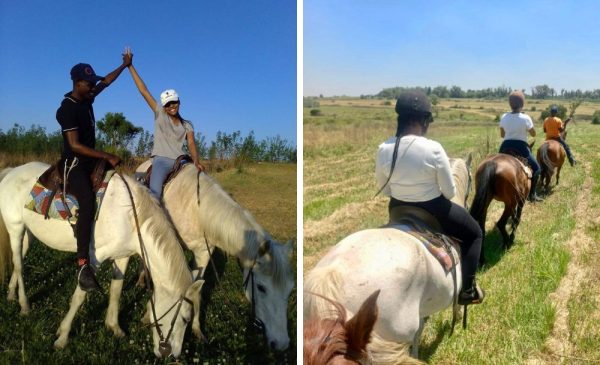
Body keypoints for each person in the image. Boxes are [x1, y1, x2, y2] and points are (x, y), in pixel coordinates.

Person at [375, 90, 484, 306]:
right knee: (475, 233)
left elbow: (384, 189)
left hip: (397, 209)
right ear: (424, 121)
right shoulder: (433, 148)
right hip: (435, 210)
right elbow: (450, 192)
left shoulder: (384, 148)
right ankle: (468, 290)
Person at [56, 54, 131, 291]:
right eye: (89, 84)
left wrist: (124, 65)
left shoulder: (87, 99)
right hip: (75, 164)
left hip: (90, 160)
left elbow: (106, 82)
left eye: (92, 84)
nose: (93, 87)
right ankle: (82, 264)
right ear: (77, 83)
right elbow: (75, 145)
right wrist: (106, 155)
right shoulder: (66, 109)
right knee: (87, 202)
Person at [124, 47, 204, 198]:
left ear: (179, 102)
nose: (171, 106)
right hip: (161, 160)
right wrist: (130, 66)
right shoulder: (160, 113)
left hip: (180, 161)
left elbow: (191, 144)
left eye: (174, 102)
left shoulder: (187, 124)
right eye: (167, 104)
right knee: (155, 195)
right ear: (164, 107)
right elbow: (144, 91)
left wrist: (196, 161)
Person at [498, 90, 543, 202]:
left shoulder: (504, 116)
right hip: (521, 146)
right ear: (522, 104)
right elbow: (533, 134)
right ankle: (532, 195)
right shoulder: (526, 118)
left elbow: (502, 135)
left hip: (505, 145)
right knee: (537, 169)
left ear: (510, 104)